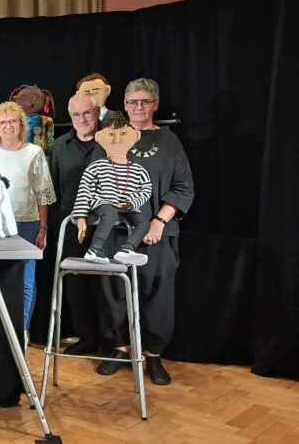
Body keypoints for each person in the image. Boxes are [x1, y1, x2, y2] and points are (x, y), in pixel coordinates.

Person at [95, 78, 194, 385]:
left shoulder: (169, 142)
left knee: (156, 294)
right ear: (124, 106)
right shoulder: (112, 138)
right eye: (133, 102)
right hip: (116, 232)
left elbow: (183, 187)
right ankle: (121, 348)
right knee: (114, 292)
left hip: (156, 233)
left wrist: (159, 221)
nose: (139, 107)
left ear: (155, 106)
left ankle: (153, 355)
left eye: (145, 102)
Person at [0, 101, 56, 336]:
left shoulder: (34, 153)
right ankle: (0, 332)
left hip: (28, 224)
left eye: (13, 121)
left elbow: (43, 193)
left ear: (21, 124)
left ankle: (22, 332)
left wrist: (43, 228)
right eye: (2, 122)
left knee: (26, 282)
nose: (8, 126)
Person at [48, 93, 106, 356]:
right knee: (75, 285)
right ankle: (87, 337)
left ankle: (115, 341)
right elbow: (52, 188)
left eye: (87, 113)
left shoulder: (111, 142)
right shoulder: (59, 146)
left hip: (107, 225)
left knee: (108, 284)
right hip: (70, 227)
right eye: (75, 115)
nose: (82, 119)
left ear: (96, 113)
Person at [72, 122, 152, 266]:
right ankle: (94, 249)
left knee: (144, 222)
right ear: (98, 137)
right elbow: (84, 189)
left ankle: (127, 249)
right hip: (103, 202)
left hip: (127, 205)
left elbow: (145, 189)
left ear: (136, 136)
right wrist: (80, 216)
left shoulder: (138, 170)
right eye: (110, 134)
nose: (117, 140)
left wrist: (132, 203)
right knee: (110, 214)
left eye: (122, 134)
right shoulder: (97, 166)